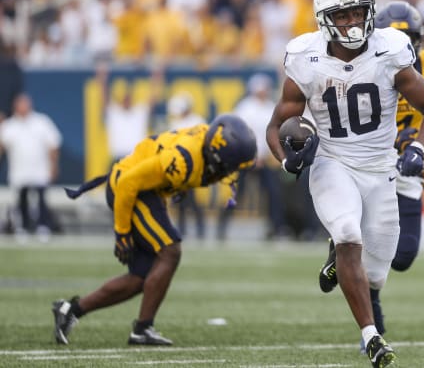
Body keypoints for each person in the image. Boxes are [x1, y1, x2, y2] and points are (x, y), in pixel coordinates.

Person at [266, 0, 424, 368]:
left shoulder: (389, 49)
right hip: (332, 160)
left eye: (358, 12)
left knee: (379, 269)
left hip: (380, 167)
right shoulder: (305, 56)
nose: (351, 22)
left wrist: (418, 146)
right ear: (324, 19)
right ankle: (371, 337)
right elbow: (277, 125)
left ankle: (342, 260)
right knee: (348, 233)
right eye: (342, 15)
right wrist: (285, 158)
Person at [51, 114, 256, 346]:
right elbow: (128, 182)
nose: (232, 172)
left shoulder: (206, 148)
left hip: (147, 191)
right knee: (170, 251)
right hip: (128, 191)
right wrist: (122, 233)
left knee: (141, 277)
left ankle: (71, 310)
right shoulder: (183, 159)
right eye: (232, 165)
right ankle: (143, 328)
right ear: (218, 156)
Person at [352, 0, 424, 345]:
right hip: (370, 163)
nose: (404, 45)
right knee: (360, 239)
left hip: (408, 165)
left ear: (420, 39)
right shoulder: (365, 66)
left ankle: (357, 259)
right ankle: (363, 287)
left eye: (410, 38)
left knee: (402, 257)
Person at [218, 73, 289, 240]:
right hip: (246, 158)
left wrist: (267, 155)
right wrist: (251, 155)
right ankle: (222, 227)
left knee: (273, 193)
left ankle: (277, 228)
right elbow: (239, 133)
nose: (263, 92)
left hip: (265, 159)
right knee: (236, 193)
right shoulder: (245, 107)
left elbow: (275, 132)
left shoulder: (271, 107)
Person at [0, 93, 63, 237]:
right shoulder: (9, 125)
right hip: (19, 171)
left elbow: (53, 145)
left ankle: (43, 226)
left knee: (41, 199)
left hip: (39, 169)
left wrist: (54, 165)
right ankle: (23, 227)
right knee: (21, 200)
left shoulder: (41, 122)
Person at [167, 94, 206, 239]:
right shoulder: (175, 123)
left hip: (194, 163)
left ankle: (200, 228)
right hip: (180, 165)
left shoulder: (197, 121)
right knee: (182, 198)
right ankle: (183, 229)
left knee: (192, 199)